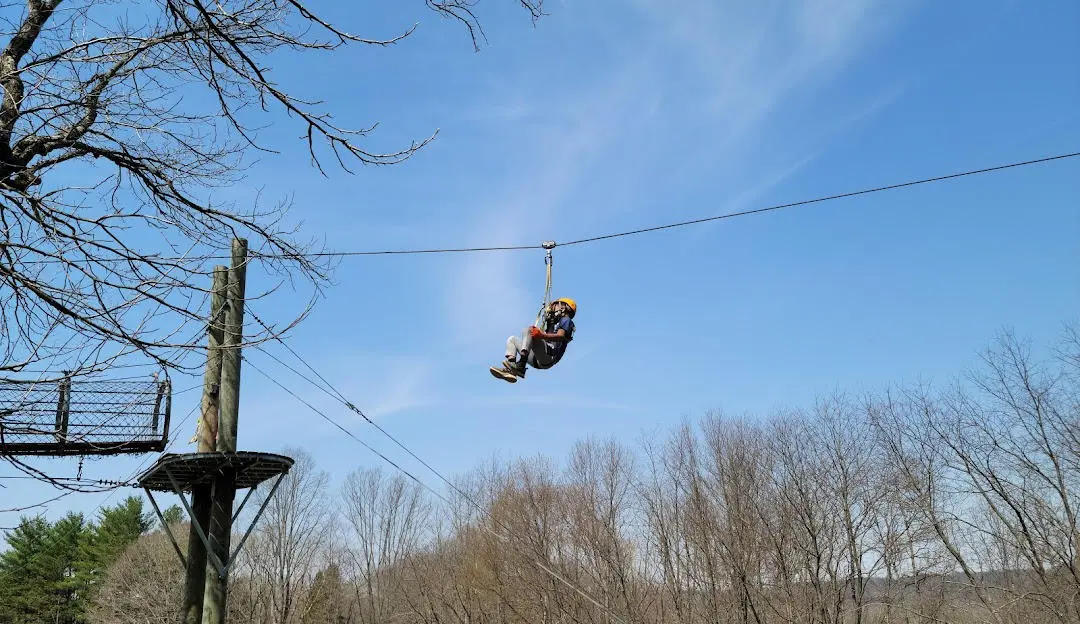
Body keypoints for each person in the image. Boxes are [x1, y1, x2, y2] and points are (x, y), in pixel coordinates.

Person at [490, 298, 576, 383]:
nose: (553, 307)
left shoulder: (566, 320)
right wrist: (549, 321)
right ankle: (511, 369)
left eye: (556, 304)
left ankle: (521, 365)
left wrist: (541, 335)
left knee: (530, 330)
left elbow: (560, 336)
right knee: (512, 340)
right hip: (538, 359)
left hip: (550, 356)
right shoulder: (555, 323)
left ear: (565, 307)